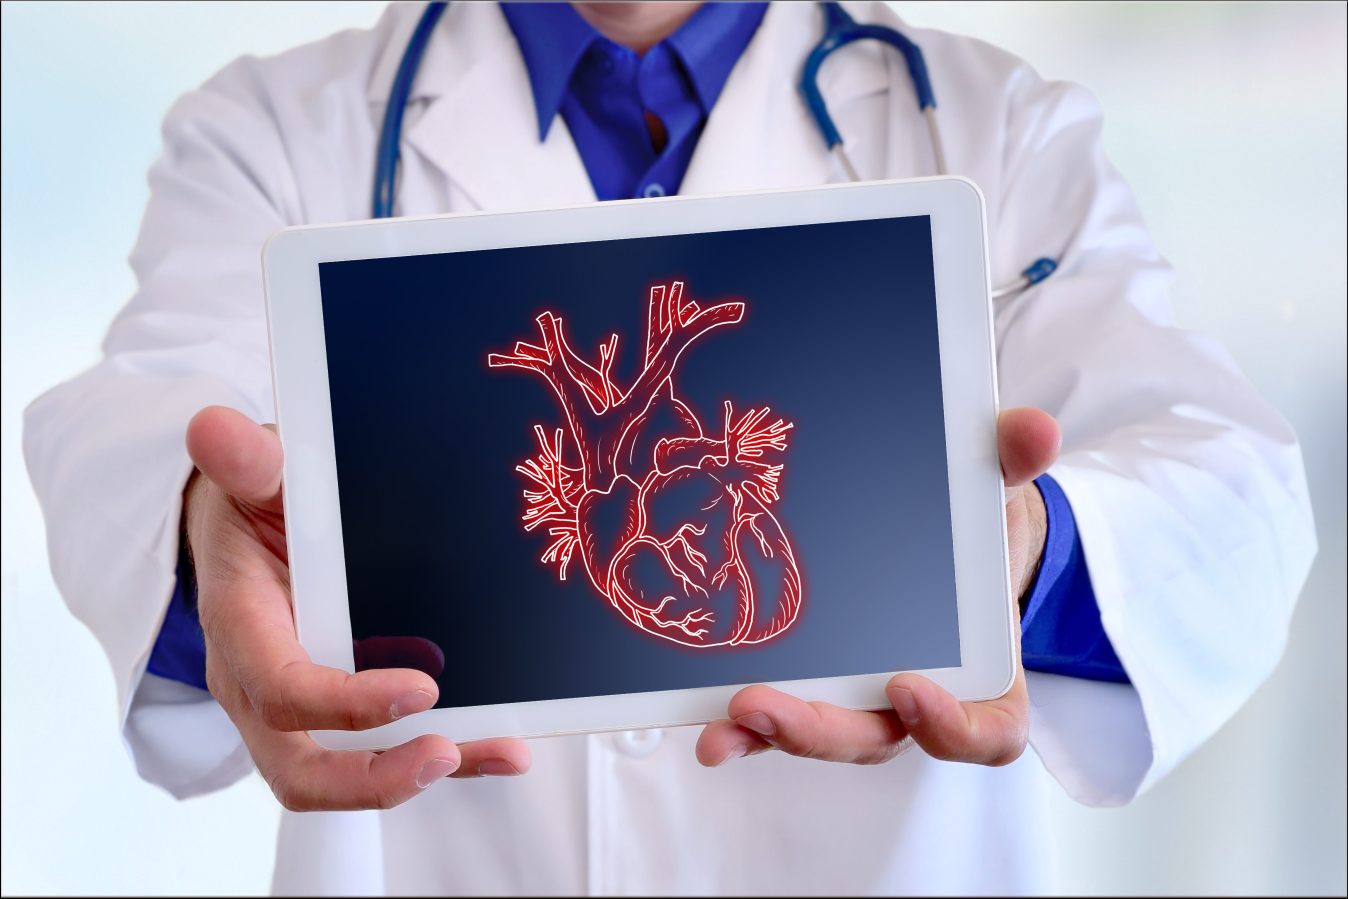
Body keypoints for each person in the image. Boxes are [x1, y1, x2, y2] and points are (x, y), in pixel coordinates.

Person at [23, 1, 1316, 894]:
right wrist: (205, 538)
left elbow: (1232, 491)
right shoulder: (274, 129)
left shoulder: (999, 128)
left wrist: (1023, 552)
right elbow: (140, 419)